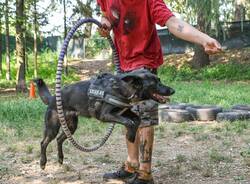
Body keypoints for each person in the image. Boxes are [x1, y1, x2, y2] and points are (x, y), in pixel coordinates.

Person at [97, 0, 222, 184]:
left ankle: (145, 173)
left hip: (144, 64)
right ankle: (131, 165)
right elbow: (106, 13)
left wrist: (203, 39)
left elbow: (173, 23)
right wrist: (105, 23)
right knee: (127, 113)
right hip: (123, 63)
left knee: (144, 115)